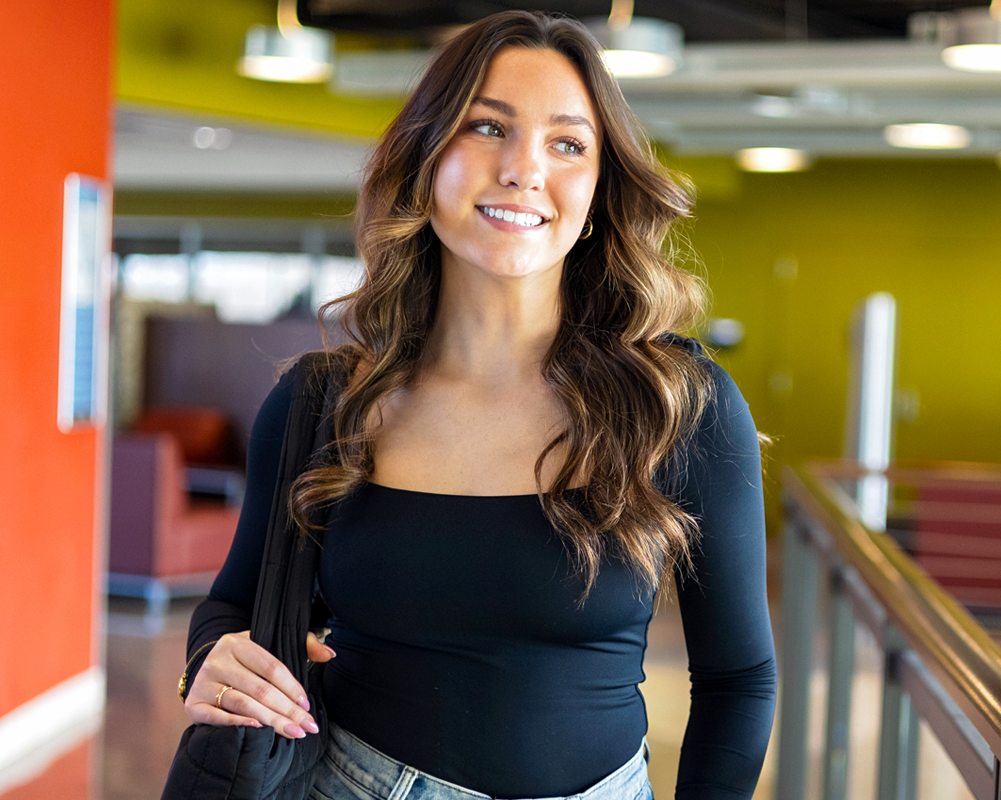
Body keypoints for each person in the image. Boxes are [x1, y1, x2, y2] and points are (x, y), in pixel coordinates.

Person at [176, 13, 775, 800]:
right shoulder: (320, 404)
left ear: (596, 194)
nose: (524, 169)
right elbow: (230, 604)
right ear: (425, 163)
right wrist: (212, 656)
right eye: (487, 127)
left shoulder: (675, 405)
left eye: (567, 143)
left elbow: (739, 681)